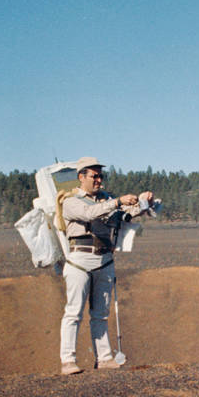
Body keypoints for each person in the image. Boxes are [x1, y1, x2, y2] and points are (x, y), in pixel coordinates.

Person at [58, 157, 153, 375]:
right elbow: (89, 213)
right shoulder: (71, 201)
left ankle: (104, 358)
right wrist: (118, 201)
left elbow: (125, 215)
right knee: (74, 312)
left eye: (101, 176)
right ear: (81, 177)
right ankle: (68, 360)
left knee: (101, 313)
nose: (99, 180)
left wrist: (143, 202)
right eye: (94, 175)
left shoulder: (107, 199)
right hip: (80, 260)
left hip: (104, 260)